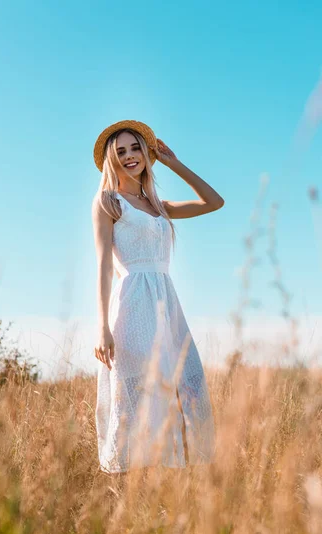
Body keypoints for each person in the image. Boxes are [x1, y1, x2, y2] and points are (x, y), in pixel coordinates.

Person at [91, 119, 224, 475]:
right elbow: (104, 267)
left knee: (184, 387)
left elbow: (214, 202)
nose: (130, 156)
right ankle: (128, 492)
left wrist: (172, 162)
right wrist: (101, 327)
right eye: (121, 151)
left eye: (136, 148)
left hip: (167, 304)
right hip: (132, 303)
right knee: (137, 398)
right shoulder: (109, 202)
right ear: (111, 160)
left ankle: (171, 483)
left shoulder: (159, 206)